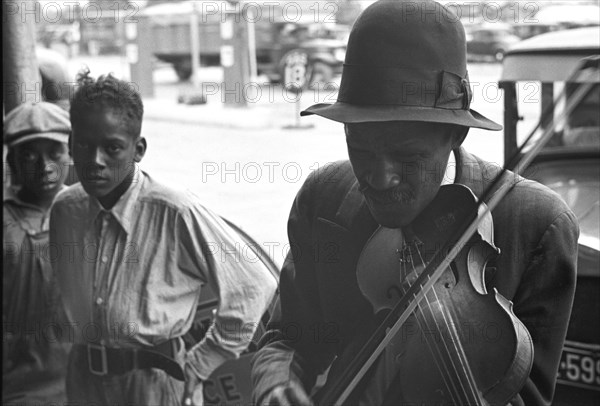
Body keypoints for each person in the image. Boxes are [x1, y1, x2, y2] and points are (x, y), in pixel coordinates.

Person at [251, 1, 578, 405]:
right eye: (361, 149)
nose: (379, 177)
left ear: (455, 137)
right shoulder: (324, 198)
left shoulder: (537, 226)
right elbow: (285, 336)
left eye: (408, 159)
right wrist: (277, 387)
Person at [49, 69, 278, 405]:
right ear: (70, 144)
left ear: (138, 149)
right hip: (84, 377)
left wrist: (200, 365)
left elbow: (253, 285)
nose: (95, 161)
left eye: (112, 148)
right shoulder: (65, 209)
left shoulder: (175, 211)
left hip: (156, 382)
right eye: (83, 145)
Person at [3, 101, 72, 404]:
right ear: (13, 162)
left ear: (69, 154)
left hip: (84, 381)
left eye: (54, 152)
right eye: (29, 155)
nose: (45, 166)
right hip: (19, 387)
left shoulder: (91, 211)